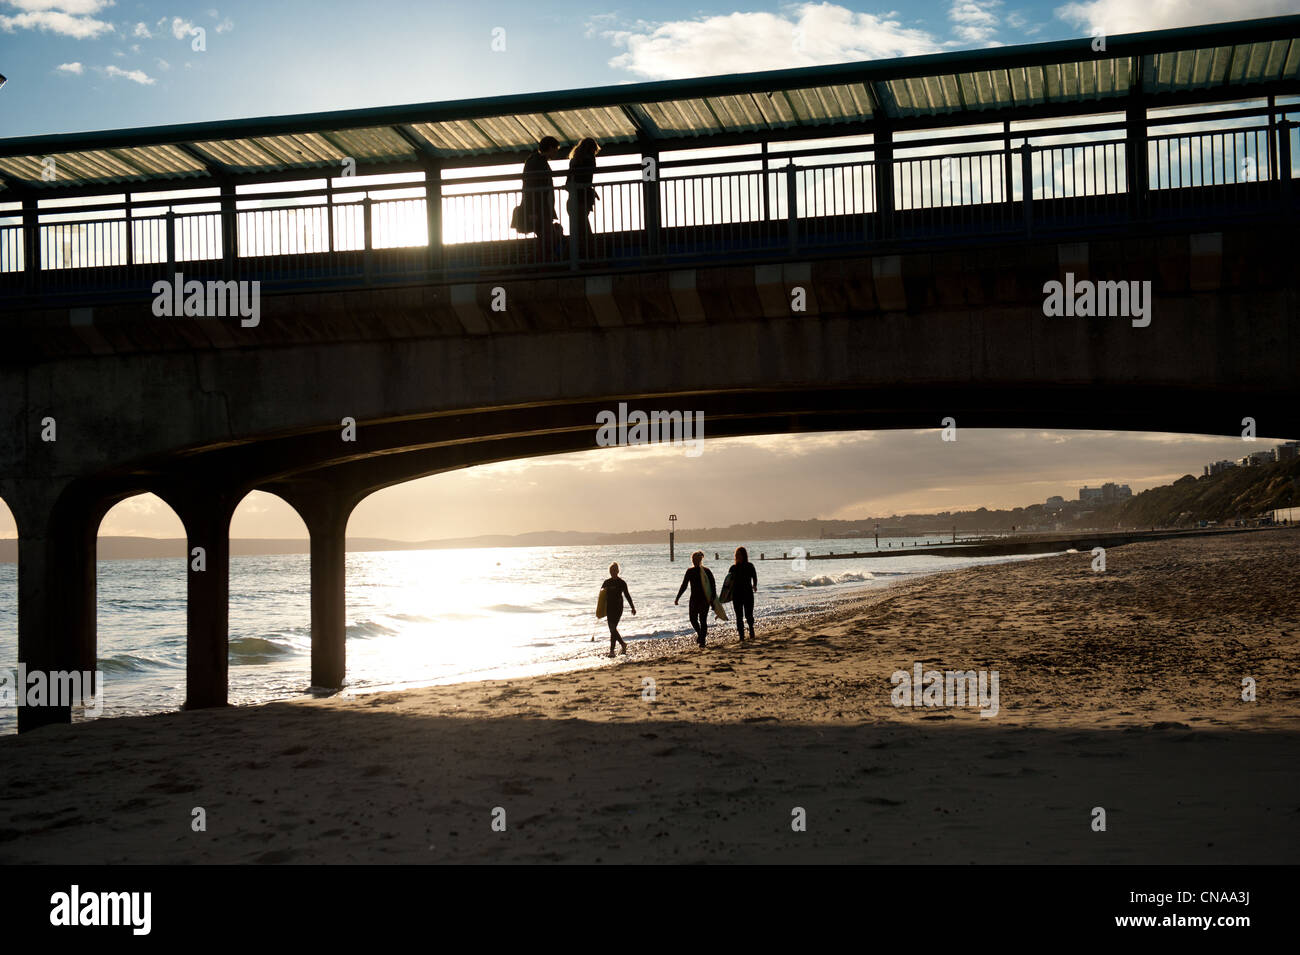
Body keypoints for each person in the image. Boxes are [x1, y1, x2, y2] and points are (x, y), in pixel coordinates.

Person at [523, 136, 563, 261]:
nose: (556, 151)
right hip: (540, 208)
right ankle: (538, 262)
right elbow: (530, 187)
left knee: (546, 238)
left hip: (541, 208)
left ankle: (539, 262)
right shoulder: (537, 162)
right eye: (555, 149)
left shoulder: (536, 161)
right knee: (548, 238)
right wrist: (532, 211)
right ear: (550, 147)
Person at [565, 137, 600, 258]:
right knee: (585, 232)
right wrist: (589, 190)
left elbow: (570, 183)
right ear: (592, 149)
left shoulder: (574, 160)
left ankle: (574, 257)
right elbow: (586, 180)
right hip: (581, 199)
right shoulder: (589, 159)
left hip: (573, 199)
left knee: (578, 231)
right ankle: (589, 257)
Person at [675, 550, 717, 648]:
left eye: (696, 559)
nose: (694, 561)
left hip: (704, 599)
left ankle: (702, 641)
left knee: (702, 620)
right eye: (693, 559)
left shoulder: (706, 571)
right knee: (693, 619)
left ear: (700, 559)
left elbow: (713, 586)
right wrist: (678, 597)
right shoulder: (690, 571)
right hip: (694, 599)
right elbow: (684, 585)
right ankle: (700, 635)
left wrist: (712, 600)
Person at [600, 562, 635, 657]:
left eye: (614, 570)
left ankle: (612, 651)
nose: (613, 572)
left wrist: (632, 607)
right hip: (609, 608)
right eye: (611, 571)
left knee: (612, 628)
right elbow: (601, 597)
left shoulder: (621, 583)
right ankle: (622, 645)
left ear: (618, 571)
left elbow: (627, 595)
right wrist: (599, 610)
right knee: (612, 629)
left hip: (618, 608)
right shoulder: (606, 582)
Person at [727, 546, 758, 642]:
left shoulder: (750, 566)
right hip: (736, 595)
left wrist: (754, 585)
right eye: (736, 555)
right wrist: (726, 594)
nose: (738, 556)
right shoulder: (733, 568)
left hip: (748, 593)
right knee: (739, 616)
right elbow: (728, 582)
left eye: (739, 554)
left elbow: (755, 577)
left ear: (744, 555)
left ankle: (751, 631)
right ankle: (741, 636)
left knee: (749, 615)